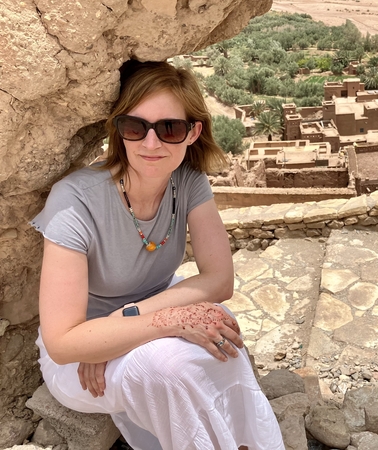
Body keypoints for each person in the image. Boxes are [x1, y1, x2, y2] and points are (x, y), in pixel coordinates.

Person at [31, 60, 285, 450]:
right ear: (119, 131)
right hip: (80, 360)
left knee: (219, 328)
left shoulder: (188, 181)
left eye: (169, 129)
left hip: (122, 324)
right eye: (136, 127)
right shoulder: (75, 201)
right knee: (169, 368)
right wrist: (164, 321)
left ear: (193, 132)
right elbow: (64, 342)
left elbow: (219, 280)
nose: (151, 144)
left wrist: (127, 320)